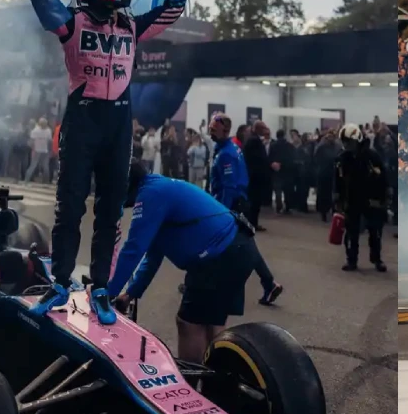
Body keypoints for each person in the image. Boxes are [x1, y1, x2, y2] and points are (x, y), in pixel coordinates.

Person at [25, 0, 194, 325]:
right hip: (82, 121)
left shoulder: (131, 24)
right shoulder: (70, 22)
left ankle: (100, 286)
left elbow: (173, 6)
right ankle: (60, 283)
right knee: (69, 209)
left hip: (119, 124)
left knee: (110, 211)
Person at [109, 161, 258, 362]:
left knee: (189, 324)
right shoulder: (158, 188)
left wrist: (106, 293)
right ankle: (219, 384)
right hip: (238, 249)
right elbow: (152, 257)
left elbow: (133, 249)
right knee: (211, 324)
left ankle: (191, 385)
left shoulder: (150, 194)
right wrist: (130, 294)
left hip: (219, 257)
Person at [208, 114, 283, 305]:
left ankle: (202, 281)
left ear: (224, 130)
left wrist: (220, 211)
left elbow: (229, 186)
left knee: (219, 242)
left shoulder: (227, 154)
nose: (210, 130)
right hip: (236, 203)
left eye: (213, 127)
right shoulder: (229, 149)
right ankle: (268, 283)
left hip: (232, 205)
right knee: (246, 246)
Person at [336, 124, 388, 272]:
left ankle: (377, 259)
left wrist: (384, 197)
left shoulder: (372, 156)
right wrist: (338, 199)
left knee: (375, 232)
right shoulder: (342, 158)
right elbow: (338, 180)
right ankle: (351, 260)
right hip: (352, 200)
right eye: (344, 142)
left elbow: (383, 177)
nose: (346, 145)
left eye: (349, 142)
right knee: (351, 233)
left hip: (371, 200)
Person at [242, 121, 272, 232]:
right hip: (255, 176)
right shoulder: (254, 140)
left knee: (254, 202)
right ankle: (252, 224)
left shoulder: (253, 139)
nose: (265, 131)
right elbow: (258, 159)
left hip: (253, 175)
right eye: (263, 128)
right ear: (258, 129)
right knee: (254, 202)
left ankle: (253, 223)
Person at [25, 117, 53, 183]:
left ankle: (26, 180)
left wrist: (32, 148)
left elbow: (31, 142)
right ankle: (46, 182)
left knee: (33, 165)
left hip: (37, 150)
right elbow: (50, 142)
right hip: (44, 151)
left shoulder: (35, 131)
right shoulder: (48, 130)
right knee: (45, 166)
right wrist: (50, 150)